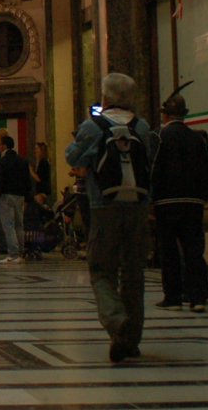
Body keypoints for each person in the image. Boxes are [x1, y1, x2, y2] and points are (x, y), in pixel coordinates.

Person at [66, 73, 155, 364]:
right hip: (138, 206)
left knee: (101, 269)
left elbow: (73, 158)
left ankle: (117, 322)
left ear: (105, 98)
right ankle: (131, 339)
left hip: (103, 205)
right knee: (133, 272)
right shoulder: (141, 127)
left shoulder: (93, 127)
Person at [151, 92, 208, 312]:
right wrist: (203, 197)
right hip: (193, 203)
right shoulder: (196, 137)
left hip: (166, 203)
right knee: (193, 249)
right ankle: (197, 297)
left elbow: (153, 171)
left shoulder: (158, 137)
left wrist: (151, 199)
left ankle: (173, 297)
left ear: (166, 116)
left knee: (169, 250)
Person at [0, 135, 32, 263]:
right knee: (19, 224)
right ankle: (21, 252)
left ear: (4, 146)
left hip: (6, 195)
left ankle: (13, 253)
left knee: (8, 225)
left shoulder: (2, 161)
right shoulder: (22, 160)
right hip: (20, 195)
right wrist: (27, 197)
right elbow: (27, 180)